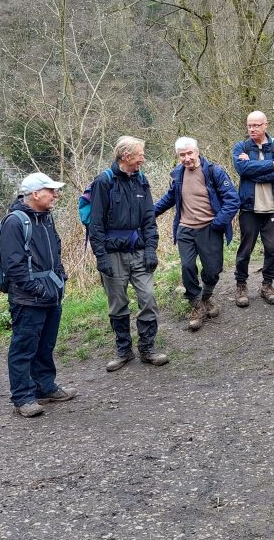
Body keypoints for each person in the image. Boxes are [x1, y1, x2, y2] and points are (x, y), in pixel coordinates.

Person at [88, 136, 169, 372]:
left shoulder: (142, 181)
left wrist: (151, 249)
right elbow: (96, 224)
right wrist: (101, 257)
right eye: (140, 154)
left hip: (139, 250)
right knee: (117, 304)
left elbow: (148, 219)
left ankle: (147, 348)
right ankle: (123, 350)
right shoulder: (104, 182)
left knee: (148, 298)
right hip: (112, 253)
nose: (143, 158)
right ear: (126, 156)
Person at [1, 172, 74, 418]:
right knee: (24, 347)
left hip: (51, 293)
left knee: (46, 344)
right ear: (35, 194)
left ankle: (45, 386)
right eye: (51, 191)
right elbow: (14, 267)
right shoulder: (15, 222)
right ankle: (23, 397)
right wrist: (39, 290)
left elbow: (55, 248)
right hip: (28, 298)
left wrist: (60, 276)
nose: (56, 195)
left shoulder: (45, 218)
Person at [155, 137, 240, 331]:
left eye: (189, 153)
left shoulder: (213, 172)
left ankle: (206, 297)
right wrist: (150, 213)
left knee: (213, 270)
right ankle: (195, 304)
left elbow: (233, 200)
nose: (186, 158)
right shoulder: (178, 175)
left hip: (210, 228)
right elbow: (170, 198)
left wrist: (218, 223)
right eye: (182, 155)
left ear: (197, 151)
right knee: (187, 266)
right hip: (185, 228)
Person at [232, 111, 274, 308]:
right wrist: (271, 165)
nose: (252, 129)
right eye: (249, 125)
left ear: (266, 125)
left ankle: (267, 285)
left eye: (256, 125)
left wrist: (253, 167)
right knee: (245, 250)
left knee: (272, 250)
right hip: (249, 209)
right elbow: (243, 170)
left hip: (272, 208)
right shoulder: (241, 146)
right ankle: (241, 285)